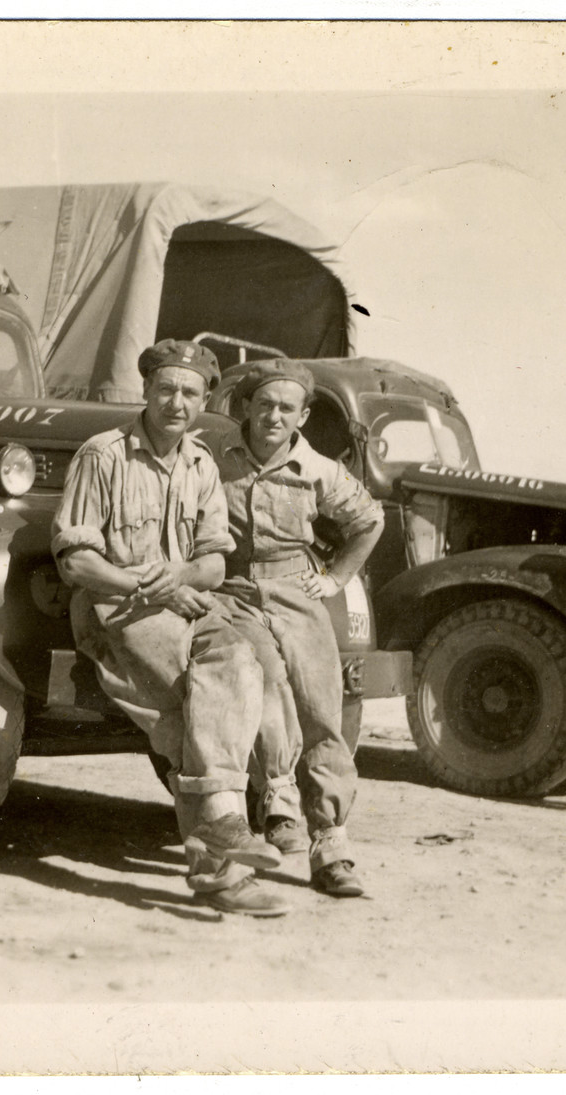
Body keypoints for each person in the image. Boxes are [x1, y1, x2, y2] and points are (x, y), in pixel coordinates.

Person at [51, 339, 290, 918]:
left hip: (184, 601)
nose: (176, 402)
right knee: (191, 706)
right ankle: (220, 867)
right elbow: (75, 562)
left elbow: (214, 561)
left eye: (189, 392)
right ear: (146, 391)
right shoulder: (102, 455)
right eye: (166, 389)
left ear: (204, 399)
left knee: (239, 662)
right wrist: (142, 583)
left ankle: (226, 833)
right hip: (117, 610)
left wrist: (177, 576)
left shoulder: (202, 464)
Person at [216, 359, 384, 898]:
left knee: (320, 708)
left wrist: (335, 578)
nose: (273, 416)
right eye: (264, 404)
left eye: (286, 408)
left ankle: (331, 845)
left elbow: (369, 520)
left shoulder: (317, 470)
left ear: (302, 415)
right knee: (263, 683)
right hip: (236, 592)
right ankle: (279, 801)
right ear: (246, 408)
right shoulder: (216, 461)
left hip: (297, 590)